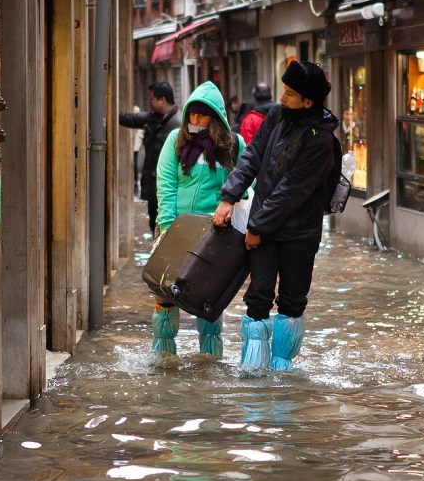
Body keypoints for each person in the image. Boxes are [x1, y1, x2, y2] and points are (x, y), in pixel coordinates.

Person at [211, 60, 339, 374]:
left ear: (308, 101)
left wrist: (256, 227)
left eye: (290, 93)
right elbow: (252, 156)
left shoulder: (321, 141)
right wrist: (229, 197)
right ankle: (252, 372)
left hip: (299, 235)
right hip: (265, 229)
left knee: (292, 302)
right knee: (258, 297)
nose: (282, 97)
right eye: (284, 90)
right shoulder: (277, 115)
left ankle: (282, 375)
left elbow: (292, 191)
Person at [150, 81, 245, 360]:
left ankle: (210, 361)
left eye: (202, 115)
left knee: (208, 298)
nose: (194, 120)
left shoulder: (233, 145)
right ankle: (164, 358)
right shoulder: (175, 140)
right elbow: (166, 184)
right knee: (165, 296)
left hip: (213, 234)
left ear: (215, 117)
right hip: (173, 229)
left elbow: (246, 183)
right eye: (191, 113)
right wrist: (167, 227)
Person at [118, 81, 181, 232]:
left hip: (168, 186)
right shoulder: (153, 117)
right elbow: (131, 119)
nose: (149, 102)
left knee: (167, 226)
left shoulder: (177, 123)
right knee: (154, 223)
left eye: (152, 98)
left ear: (162, 100)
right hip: (154, 186)